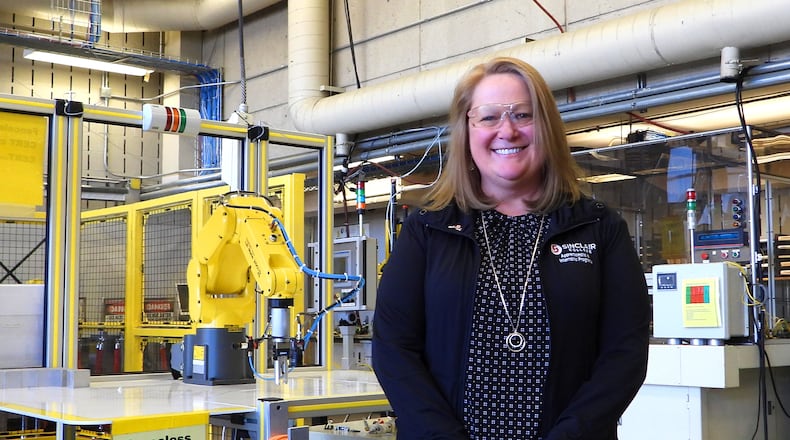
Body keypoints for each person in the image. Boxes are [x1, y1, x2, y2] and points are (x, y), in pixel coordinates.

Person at [371, 56, 650, 439]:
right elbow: (393, 348)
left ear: (547, 127)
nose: (507, 131)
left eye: (523, 115)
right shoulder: (427, 229)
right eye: (488, 117)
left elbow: (625, 353)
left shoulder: (598, 228)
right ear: (466, 129)